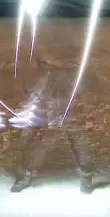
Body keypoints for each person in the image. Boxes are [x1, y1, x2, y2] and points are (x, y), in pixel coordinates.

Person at [7, 60, 95, 194]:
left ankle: (87, 177)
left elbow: (86, 95)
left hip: (72, 114)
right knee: (45, 145)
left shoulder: (70, 74)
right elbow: (37, 93)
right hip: (57, 114)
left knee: (79, 144)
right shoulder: (50, 74)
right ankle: (25, 176)